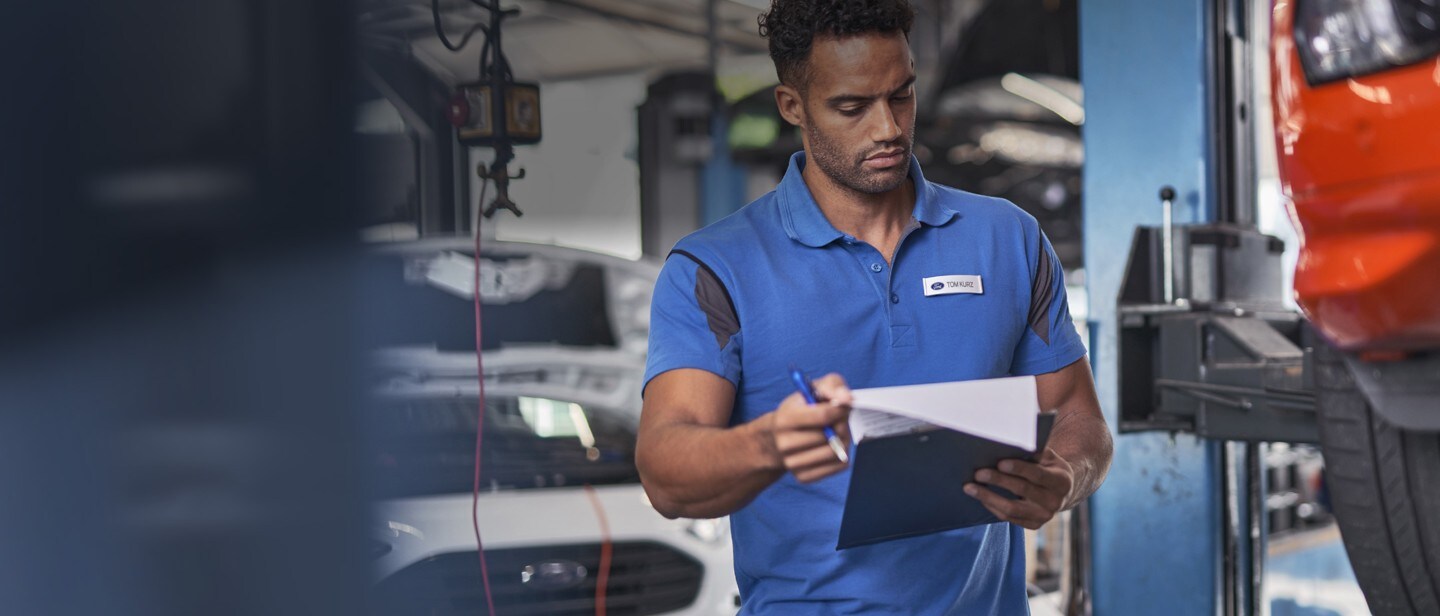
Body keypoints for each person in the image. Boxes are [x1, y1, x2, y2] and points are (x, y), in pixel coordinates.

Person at [636, 0, 1113, 613]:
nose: (887, 127)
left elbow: (1081, 419)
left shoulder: (1008, 239)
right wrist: (767, 445)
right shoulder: (714, 269)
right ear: (793, 106)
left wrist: (1064, 476)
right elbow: (665, 474)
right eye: (852, 107)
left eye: (902, 95)